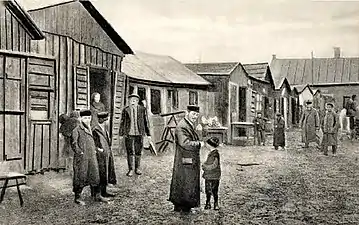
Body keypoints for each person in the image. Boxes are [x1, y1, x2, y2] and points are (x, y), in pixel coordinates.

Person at [169, 105, 204, 213]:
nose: (195, 117)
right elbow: (185, 143)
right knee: (185, 182)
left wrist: (199, 132)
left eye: (197, 115)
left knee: (187, 182)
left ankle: (184, 206)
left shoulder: (189, 124)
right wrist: (199, 144)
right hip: (185, 158)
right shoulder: (182, 126)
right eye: (193, 114)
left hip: (188, 158)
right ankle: (183, 207)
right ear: (187, 113)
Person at [71, 109, 108, 205]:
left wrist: (97, 149)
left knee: (95, 175)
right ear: (80, 119)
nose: (87, 120)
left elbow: (91, 142)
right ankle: (77, 197)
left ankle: (97, 195)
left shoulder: (91, 128)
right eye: (85, 118)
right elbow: (74, 143)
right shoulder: (77, 130)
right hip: (82, 157)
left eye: (88, 118)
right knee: (81, 176)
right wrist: (80, 152)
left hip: (92, 156)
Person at [119, 93, 151, 177]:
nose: (133, 102)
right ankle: (130, 169)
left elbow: (146, 121)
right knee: (130, 152)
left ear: (137, 101)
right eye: (131, 100)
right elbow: (122, 122)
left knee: (138, 151)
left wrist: (148, 133)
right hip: (129, 133)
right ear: (129, 101)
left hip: (139, 133)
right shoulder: (126, 110)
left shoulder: (142, 109)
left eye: (135, 100)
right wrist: (121, 133)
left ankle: (137, 168)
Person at [92, 112, 117, 197]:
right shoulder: (95, 130)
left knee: (105, 173)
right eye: (106, 120)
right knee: (100, 173)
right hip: (100, 156)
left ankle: (104, 191)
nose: (108, 122)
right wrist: (99, 149)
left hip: (106, 154)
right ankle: (97, 193)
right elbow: (94, 144)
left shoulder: (104, 129)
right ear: (101, 120)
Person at [202, 137, 221, 211]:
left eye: (207, 144)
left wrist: (205, 167)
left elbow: (214, 165)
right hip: (208, 175)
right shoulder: (211, 153)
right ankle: (208, 203)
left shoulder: (215, 154)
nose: (206, 145)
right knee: (208, 190)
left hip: (214, 175)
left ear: (210, 145)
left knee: (214, 190)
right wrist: (204, 164)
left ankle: (216, 204)